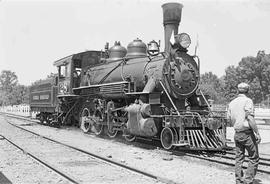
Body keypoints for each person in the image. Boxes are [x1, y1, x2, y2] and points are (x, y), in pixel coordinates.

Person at [227, 82, 261, 184]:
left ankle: (239, 180)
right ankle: (248, 181)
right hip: (247, 134)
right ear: (248, 91)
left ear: (238, 90)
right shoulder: (248, 101)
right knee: (254, 157)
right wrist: (257, 132)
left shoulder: (231, 103)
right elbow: (250, 118)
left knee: (239, 158)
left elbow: (228, 119)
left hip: (237, 133)